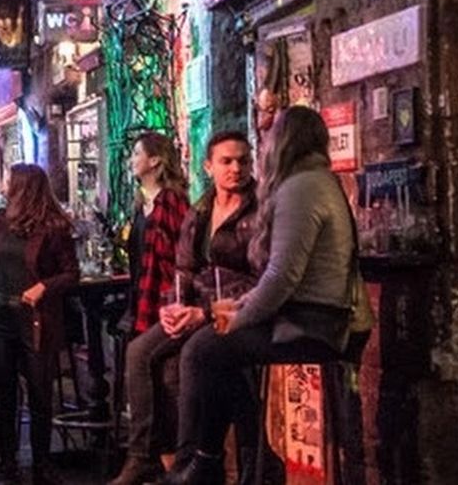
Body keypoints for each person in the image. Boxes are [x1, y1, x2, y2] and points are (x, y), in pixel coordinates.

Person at [163, 108, 364, 485]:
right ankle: (230, 461)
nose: (264, 145)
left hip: (310, 325)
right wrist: (238, 308)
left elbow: (281, 277)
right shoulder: (318, 181)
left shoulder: (300, 187)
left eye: (269, 136)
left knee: (205, 350)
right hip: (314, 316)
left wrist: (240, 316)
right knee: (215, 350)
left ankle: (214, 463)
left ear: (283, 142)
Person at [111, 131, 266, 485]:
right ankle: (142, 456)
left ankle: (191, 463)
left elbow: (265, 277)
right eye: (226, 161)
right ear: (208, 166)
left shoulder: (261, 210)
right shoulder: (201, 208)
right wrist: (173, 305)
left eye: (243, 160)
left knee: (185, 361)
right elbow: (181, 267)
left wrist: (206, 312)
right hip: (194, 306)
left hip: (233, 311)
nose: (236, 168)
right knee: (138, 352)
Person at [0, 163, 79, 485]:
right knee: (4, 394)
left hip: (35, 317)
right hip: (0, 313)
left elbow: (71, 273)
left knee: (40, 394)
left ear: (23, 187)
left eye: (10, 179)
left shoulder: (53, 227)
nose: (5, 184)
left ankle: (41, 464)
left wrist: (44, 286)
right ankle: (7, 463)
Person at [127, 133, 191, 337]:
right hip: (141, 290)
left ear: (154, 160)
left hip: (163, 296)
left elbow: (179, 256)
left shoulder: (171, 201)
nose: (132, 159)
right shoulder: (142, 204)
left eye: (137, 153)